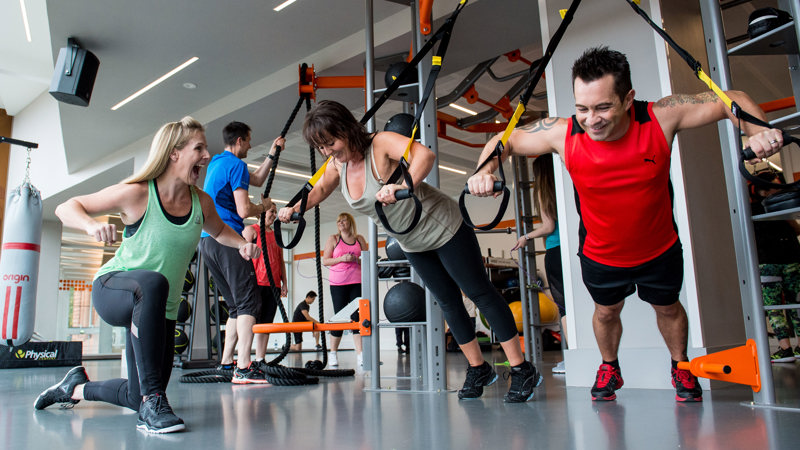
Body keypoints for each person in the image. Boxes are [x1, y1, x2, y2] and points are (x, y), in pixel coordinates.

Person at [467, 47, 783, 402]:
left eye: (603, 107)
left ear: (628, 98)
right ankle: (609, 366)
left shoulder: (660, 117)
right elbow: (505, 140)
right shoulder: (563, 133)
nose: (592, 119)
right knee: (605, 312)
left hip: (659, 247)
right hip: (600, 254)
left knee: (668, 307)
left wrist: (758, 131)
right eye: (583, 108)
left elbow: (732, 99)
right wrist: (484, 171)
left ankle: (680, 366)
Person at [279, 100, 542, 403]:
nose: (328, 152)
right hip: (412, 242)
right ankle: (478, 368)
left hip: (444, 227)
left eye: (331, 143)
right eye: (321, 147)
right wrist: (294, 209)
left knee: (479, 293)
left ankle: (522, 369)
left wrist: (403, 185)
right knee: (448, 302)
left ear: (346, 129)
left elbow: (424, 155)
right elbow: (321, 189)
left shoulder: (379, 144)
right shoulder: (338, 164)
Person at [36, 117, 261, 433]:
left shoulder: (201, 202)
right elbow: (66, 207)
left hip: (159, 308)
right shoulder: (138, 193)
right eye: (199, 148)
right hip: (115, 288)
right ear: (174, 153)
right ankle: (152, 407)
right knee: (154, 284)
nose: (207, 155)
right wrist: (91, 225)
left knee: (136, 394)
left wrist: (242, 246)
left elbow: (220, 230)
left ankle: (74, 388)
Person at [198, 120, 283, 383]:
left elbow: (256, 179)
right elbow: (244, 210)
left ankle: (226, 364)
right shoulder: (236, 164)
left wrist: (272, 154)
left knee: (235, 306)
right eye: (248, 140)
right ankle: (244, 367)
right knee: (249, 303)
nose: (249, 145)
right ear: (239, 141)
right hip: (228, 239)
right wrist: (263, 207)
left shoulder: (218, 163)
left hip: (207, 241)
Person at [510, 153, 568, 374]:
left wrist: (526, 237)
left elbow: (548, 226)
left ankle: (572, 358)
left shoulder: (545, 191)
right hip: (574, 249)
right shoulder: (565, 187)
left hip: (555, 251)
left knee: (564, 309)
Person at [749, 171, 800, 362]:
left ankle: (785, 349)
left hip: (770, 261)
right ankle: (791, 348)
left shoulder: (750, 208)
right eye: (775, 186)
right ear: (763, 190)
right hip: (785, 259)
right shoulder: (777, 206)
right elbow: (796, 228)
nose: (779, 190)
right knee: (793, 303)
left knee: (775, 306)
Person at [242, 201, 287, 364]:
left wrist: (284, 283)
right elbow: (242, 256)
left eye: (275, 212)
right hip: (256, 284)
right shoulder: (251, 230)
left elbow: (281, 261)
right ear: (261, 212)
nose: (274, 215)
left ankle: (260, 358)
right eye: (271, 211)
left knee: (266, 323)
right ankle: (244, 359)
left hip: (273, 285)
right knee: (250, 322)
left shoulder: (276, 235)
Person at [322, 212, 368, 367]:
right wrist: (341, 259)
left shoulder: (359, 239)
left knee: (357, 317)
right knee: (340, 317)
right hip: (338, 283)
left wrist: (356, 259)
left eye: (344, 220)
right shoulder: (333, 239)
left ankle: (360, 354)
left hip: (357, 281)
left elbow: (367, 259)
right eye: (338, 221)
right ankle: (333, 353)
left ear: (350, 223)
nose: (341, 223)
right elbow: (325, 260)